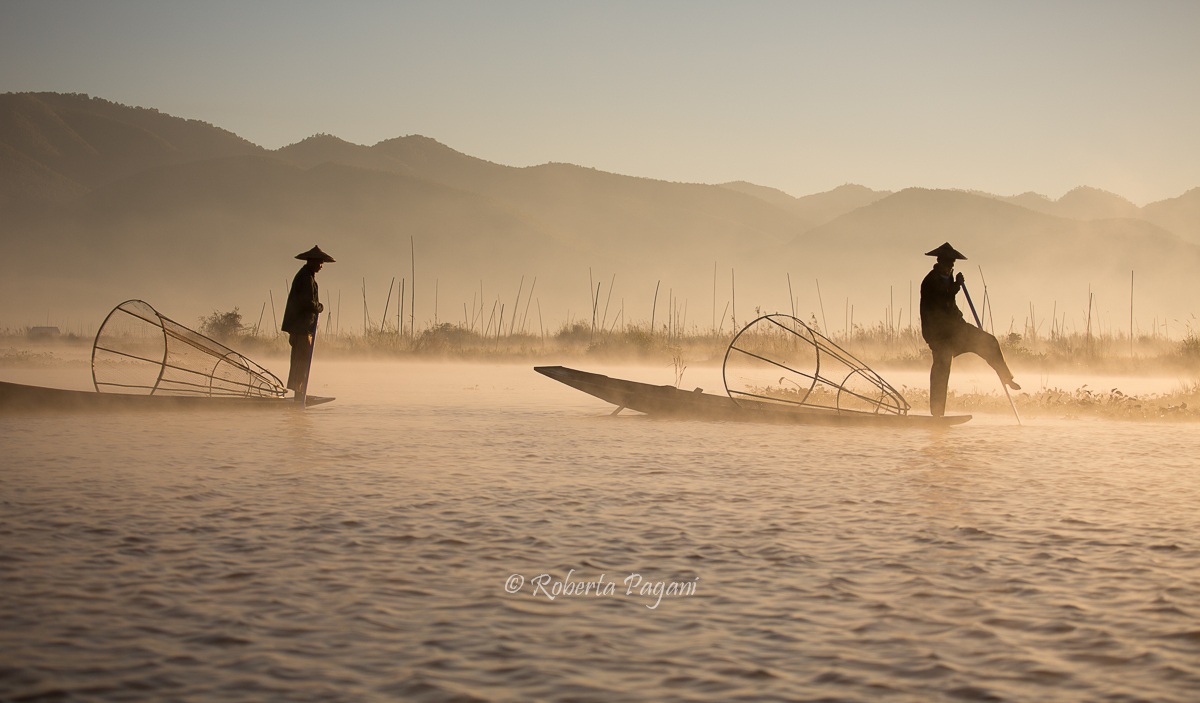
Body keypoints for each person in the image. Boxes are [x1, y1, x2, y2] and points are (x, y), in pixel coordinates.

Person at [919, 242, 1019, 417]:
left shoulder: (947, 277)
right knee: (942, 369)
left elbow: (949, 299)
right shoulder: (930, 281)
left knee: (989, 341)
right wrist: (957, 286)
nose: (950, 266)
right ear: (939, 261)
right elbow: (941, 300)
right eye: (947, 263)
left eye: (952, 263)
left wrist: (955, 285)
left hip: (957, 329)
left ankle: (1006, 377)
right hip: (939, 335)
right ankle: (937, 415)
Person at [281, 245, 335, 399]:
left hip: (301, 327)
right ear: (311, 261)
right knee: (301, 361)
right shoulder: (305, 278)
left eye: (322, 262)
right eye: (319, 262)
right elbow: (307, 302)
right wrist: (319, 307)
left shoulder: (307, 276)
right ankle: (299, 395)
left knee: (301, 360)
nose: (321, 266)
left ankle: (299, 393)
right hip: (301, 328)